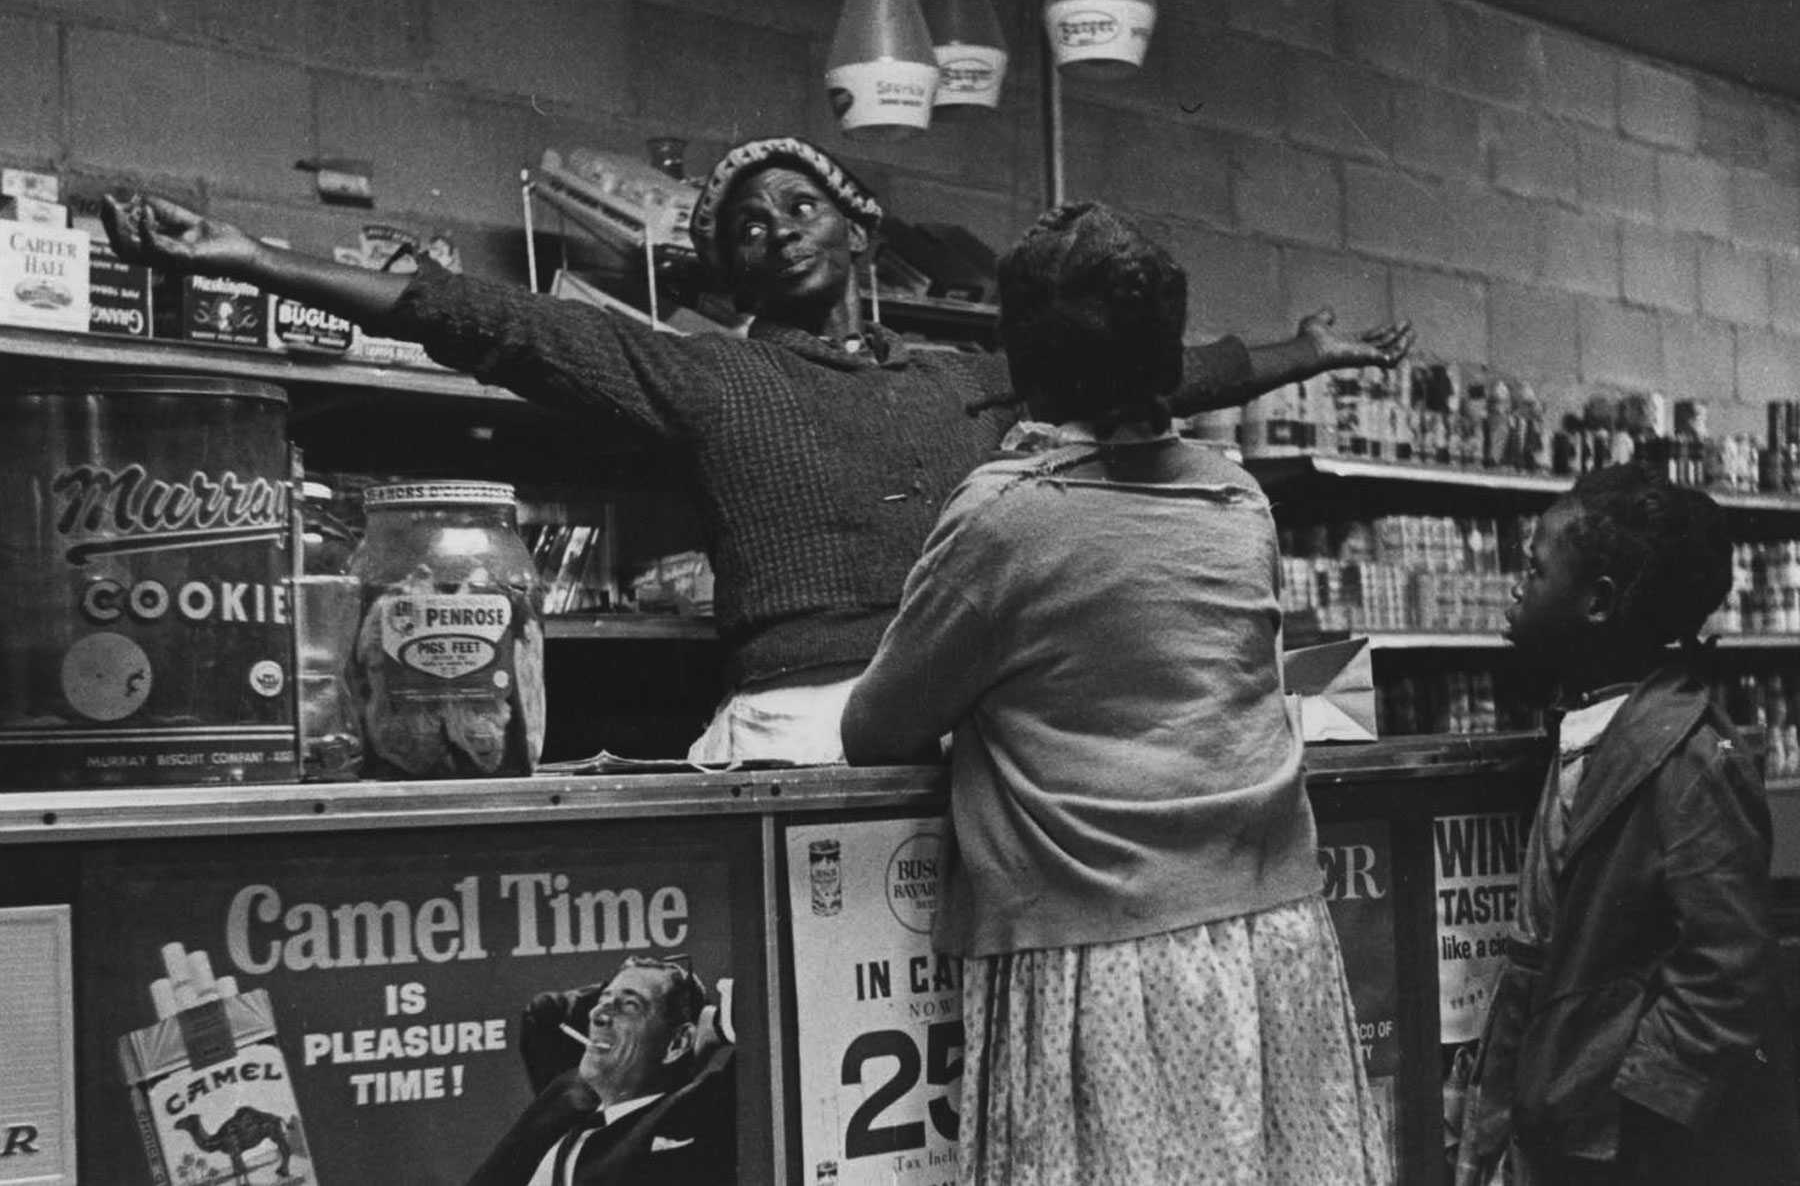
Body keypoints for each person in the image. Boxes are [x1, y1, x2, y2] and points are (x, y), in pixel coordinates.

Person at [102, 135, 1414, 767]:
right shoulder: (707, 371)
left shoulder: (967, 377)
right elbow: (494, 323)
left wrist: (1304, 350)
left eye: (797, 207)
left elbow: (1146, 368)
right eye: (741, 226)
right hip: (794, 721)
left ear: (856, 232)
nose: (769, 231)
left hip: (962, 731)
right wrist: (248, 256)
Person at [841, 202, 1388, 1184]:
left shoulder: (1007, 517)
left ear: (1016, 359)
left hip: (1102, 961)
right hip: (1274, 940)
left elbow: (877, 728)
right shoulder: (1235, 496)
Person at [1452, 464, 1800, 1186]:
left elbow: (1728, 968)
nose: (1517, 584)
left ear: (1599, 603)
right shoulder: (1592, 724)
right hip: (1562, 1103)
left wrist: (1639, 1117)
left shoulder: (1689, 756)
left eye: (1535, 568)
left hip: (1617, 1138)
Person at [466, 955, 735, 1186]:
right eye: (603, 999)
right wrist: (629, 982)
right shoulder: (572, 1094)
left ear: (678, 1043)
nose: (597, 1014)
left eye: (631, 1005)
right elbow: (544, 1013)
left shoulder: (693, 1112)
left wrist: (714, 1026)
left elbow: (760, 1023)